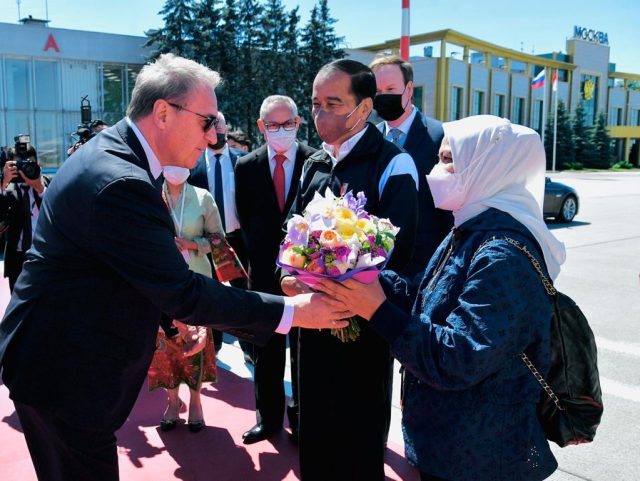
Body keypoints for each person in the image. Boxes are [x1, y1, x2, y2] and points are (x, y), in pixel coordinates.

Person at [0, 53, 348, 481]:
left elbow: (131, 267)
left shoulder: (115, 159)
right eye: (207, 121)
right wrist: (294, 313)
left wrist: (172, 320)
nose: (214, 134)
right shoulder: (121, 179)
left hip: (60, 361)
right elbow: (183, 290)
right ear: (163, 112)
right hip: (65, 375)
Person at [316, 115, 566, 481]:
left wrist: (377, 309)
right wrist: (362, 275)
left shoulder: (502, 255)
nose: (434, 171)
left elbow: (459, 359)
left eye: (448, 160)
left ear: (488, 168)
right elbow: (426, 296)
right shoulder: (470, 229)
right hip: (453, 444)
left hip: (481, 457)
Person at [280, 59, 418, 481]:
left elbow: (401, 256)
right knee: (315, 440)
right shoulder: (313, 164)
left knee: (357, 446)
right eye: (315, 104)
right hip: (311, 328)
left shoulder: (393, 164)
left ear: (364, 108)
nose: (320, 114)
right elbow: (289, 233)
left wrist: (346, 289)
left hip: (362, 336)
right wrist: (286, 277)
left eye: (333, 103)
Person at [370, 54, 455, 445]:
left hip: (426, 278)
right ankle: (375, 444)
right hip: (375, 277)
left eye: (390, 89)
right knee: (376, 369)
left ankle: (419, 446)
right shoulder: (370, 138)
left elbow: (450, 213)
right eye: (377, 90)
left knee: (420, 372)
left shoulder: (439, 138)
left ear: (409, 90)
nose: (383, 97)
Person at [235, 95, 316, 445]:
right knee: (265, 347)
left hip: (305, 275)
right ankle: (267, 419)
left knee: (302, 349)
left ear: (298, 123)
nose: (280, 131)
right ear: (261, 126)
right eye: (272, 125)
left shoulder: (316, 161)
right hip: (264, 275)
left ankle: (301, 420)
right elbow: (245, 219)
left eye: (287, 124)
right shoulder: (246, 165)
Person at [147, 167, 225, 433]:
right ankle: (172, 401)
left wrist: (191, 244)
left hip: (196, 281)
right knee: (164, 345)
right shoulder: (152, 196)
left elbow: (218, 239)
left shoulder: (203, 197)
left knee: (196, 342)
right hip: (160, 282)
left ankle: (196, 401)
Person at [189, 111, 247, 353]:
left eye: (220, 126)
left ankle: (248, 346)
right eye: (212, 126)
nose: (217, 131)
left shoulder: (244, 161)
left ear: (227, 128)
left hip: (239, 240)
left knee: (244, 294)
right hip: (208, 240)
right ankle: (216, 345)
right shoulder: (193, 164)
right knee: (211, 294)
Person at [0, 144, 50, 292]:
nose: (24, 170)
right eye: (18, 166)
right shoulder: (7, 189)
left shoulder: (47, 183)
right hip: (17, 257)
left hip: (44, 254)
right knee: (18, 301)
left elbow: (57, 212)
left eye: (29, 164)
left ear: (37, 164)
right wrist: (3, 183)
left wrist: (39, 188)